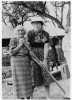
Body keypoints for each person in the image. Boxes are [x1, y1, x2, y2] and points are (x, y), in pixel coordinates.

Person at [9, 25, 33, 99]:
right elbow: (11, 52)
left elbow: (29, 52)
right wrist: (20, 45)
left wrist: (31, 58)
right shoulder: (13, 40)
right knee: (19, 82)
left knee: (27, 82)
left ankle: (28, 98)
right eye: (19, 30)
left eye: (22, 30)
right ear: (16, 32)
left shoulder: (27, 40)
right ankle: (21, 98)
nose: (20, 32)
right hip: (17, 63)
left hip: (25, 62)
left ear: (24, 32)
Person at [27, 17, 50, 91]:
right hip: (33, 55)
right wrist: (32, 56)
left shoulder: (45, 34)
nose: (36, 25)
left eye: (38, 23)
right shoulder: (30, 33)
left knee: (46, 75)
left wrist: (45, 59)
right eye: (34, 24)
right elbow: (28, 46)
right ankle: (31, 97)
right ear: (32, 25)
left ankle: (48, 97)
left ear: (41, 24)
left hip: (43, 54)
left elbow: (46, 46)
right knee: (33, 76)